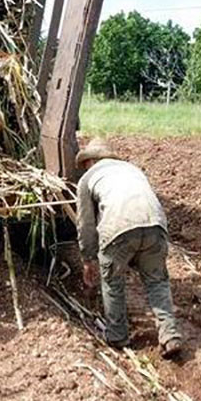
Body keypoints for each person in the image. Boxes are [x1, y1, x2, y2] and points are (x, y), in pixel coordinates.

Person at [75, 138, 183, 359]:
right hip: (155, 226)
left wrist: (88, 259)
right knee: (156, 281)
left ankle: (117, 335)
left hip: (118, 229)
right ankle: (169, 334)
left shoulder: (87, 179)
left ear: (91, 160)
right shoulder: (131, 169)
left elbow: (85, 224)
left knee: (113, 282)